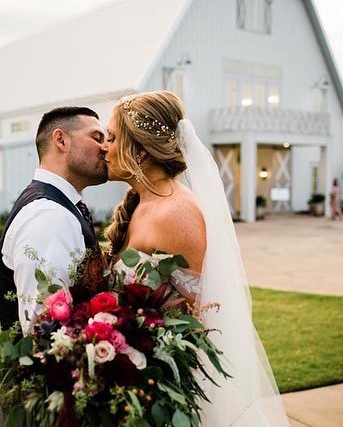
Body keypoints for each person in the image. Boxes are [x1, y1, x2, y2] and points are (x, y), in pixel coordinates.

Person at [103, 91, 290, 426]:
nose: (105, 146)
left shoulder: (175, 212)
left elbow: (200, 314)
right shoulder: (145, 204)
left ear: (140, 151)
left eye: (113, 137)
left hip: (172, 382)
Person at [0, 106, 107, 425]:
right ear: (61, 140)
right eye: (97, 137)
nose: (106, 147)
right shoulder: (49, 215)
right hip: (47, 401)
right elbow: (45, 330)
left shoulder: (59, 205)